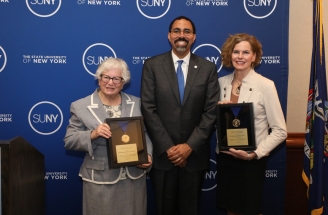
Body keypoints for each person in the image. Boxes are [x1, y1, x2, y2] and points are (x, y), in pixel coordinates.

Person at [140, 16, 220, 215]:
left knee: (190, 209)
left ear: (193, 37)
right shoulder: (152, 66)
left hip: (194, 157)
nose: (181, 35)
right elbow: (148, 109)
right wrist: (169, 147)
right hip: (163, 157)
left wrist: (189, 146)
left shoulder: (208, 68)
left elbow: (211, 111)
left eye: (186, 31)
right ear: (169, 36)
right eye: (176, 31)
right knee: (164, 209)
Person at [64, 58, 153, 215]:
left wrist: (149, 155)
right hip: (100, 180)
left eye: (116, 78)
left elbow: (146, 133)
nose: (110, 82)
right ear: (99, 79)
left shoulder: (138, 103)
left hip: (133, 178)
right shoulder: (80, 106)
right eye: (106, 77)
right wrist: (93, 134)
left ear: (123, 82)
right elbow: (69, 140)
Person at [216, 33, 287, 215]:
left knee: (250, 210)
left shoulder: (265, 85)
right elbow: (214, 124)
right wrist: (217, 113)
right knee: (230, 210)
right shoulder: (220, 84)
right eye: (236, 52)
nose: (240, 57)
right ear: (229, 55)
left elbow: (280, 130)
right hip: (226, 159)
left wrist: (254, 154)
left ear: (254, 56)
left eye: (246, 52)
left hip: (250, 162)